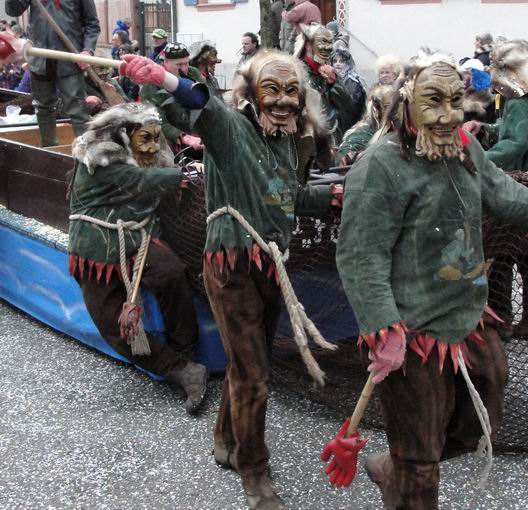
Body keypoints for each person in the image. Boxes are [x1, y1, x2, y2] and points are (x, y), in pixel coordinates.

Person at [332, 50, 528, 510]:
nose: (449, 115)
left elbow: (496, 186)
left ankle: (398, 463)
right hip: (411, 328)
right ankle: (407, 468)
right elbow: (359, 255)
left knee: (479, 421)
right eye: (434, 101)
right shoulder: (378, 166)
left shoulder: (464, 147)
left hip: (466, 313)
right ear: (406, 100)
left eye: (455, 100)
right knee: (421, 461)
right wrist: (381, 328)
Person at [119, 49, 343, 510]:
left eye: (291, 91)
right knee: (256, 375)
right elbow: (204, 106)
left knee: (247, 367)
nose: (282, 101)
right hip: (230, 266)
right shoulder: (230, 128)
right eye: (272, 89)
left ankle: (225, 438)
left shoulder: (284, 141)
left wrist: (333, 196)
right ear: (251, 92)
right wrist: (162, 77)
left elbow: (289, 196)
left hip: (270, 265)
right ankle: (253, 472)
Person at [68, 103, 207, 415]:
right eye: (146, 138)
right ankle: (179, 368)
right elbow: (137, 181)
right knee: (112, 322)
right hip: (96, 246)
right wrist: (178, 176)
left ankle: (187, 353)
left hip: (140, 236)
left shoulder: (150, 155)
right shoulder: (102, 156)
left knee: (172, 273)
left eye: (157, 138)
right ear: (123, 136)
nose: (154, 146)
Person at [464, 39, 528, 342]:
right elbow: (518, 132)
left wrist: (477, 158)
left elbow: (518, 143)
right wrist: (485, 129)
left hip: (525, 179)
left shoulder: (519, 97)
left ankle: (504, 317)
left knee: (504, 251)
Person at [5, 0, 99, 146]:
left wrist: (88, 50)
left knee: (77, 110)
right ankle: (49, 150)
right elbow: (13, 11)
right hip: (40, 57)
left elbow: (92, 24)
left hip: (70, 59)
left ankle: (87, 153)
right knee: (42, 108)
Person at [140, 42, 205, 153]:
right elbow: (156, 121)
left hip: (199, 131)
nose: (184, 69)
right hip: (171, 141)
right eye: (179, 65)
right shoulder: (152, 83)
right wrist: (184, 137)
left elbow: (208, 99)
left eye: (187, 63)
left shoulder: (193, 73)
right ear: (166, 62)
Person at [294, 23, 352, 144]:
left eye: (329, 43)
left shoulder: (329, 71)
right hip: (306, 138)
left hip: (330, 137)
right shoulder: (297, 73)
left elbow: (346, 104)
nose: (327, 48)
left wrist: (334, 82)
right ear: (308, 45)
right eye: (323, 42)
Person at [335, 83, 397, 166]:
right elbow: (342, 159)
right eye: (390, 107)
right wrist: (359, 157)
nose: (396, 111)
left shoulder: (398, 130)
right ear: (378, 109)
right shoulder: (363, 132)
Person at [332, 47, 366, 133]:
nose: (337, 64)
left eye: (341, 61)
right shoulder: (333, 79)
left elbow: (350, 106)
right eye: (335, 61)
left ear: (348, 63)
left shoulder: (352, 81)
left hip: (349, 124)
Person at [83, 49, 129, 114]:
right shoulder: (82, 84)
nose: (105, 72)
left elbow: (127, 103)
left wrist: (115, 93)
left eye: (107, 68)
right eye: (100, 68)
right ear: (90, 69)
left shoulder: (112, 82)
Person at [460, 58, 495, 125]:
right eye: (462, 74)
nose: (463, 78)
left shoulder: (487, 98)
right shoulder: (462, 95)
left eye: (466, 73)